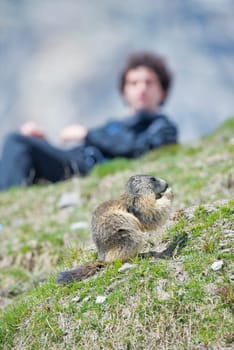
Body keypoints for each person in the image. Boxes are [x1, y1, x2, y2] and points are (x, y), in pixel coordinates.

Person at [0, 51, 178, 191]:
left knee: (17, 141)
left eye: (149, 82)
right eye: (133, 83)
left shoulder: (163, 128)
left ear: (162, 91)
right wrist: (41, 144)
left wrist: (87, 134)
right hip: (75, 162)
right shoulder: (113, 126)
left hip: (87, 170)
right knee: (21, 145)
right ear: (124, 92)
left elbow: (137, 148)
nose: (141, 89)